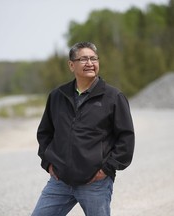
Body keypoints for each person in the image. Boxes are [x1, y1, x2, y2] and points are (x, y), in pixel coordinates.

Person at [31, 41, 135, 216]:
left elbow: (126, 138)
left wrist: (107, 169)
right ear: (72, 65)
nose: (90, 63)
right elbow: (45, 133)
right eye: (84, 59)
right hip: (60, 182)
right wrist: (48, 162)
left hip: (95, 183)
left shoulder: (113, 97)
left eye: (94, 59)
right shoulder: (58, 95)